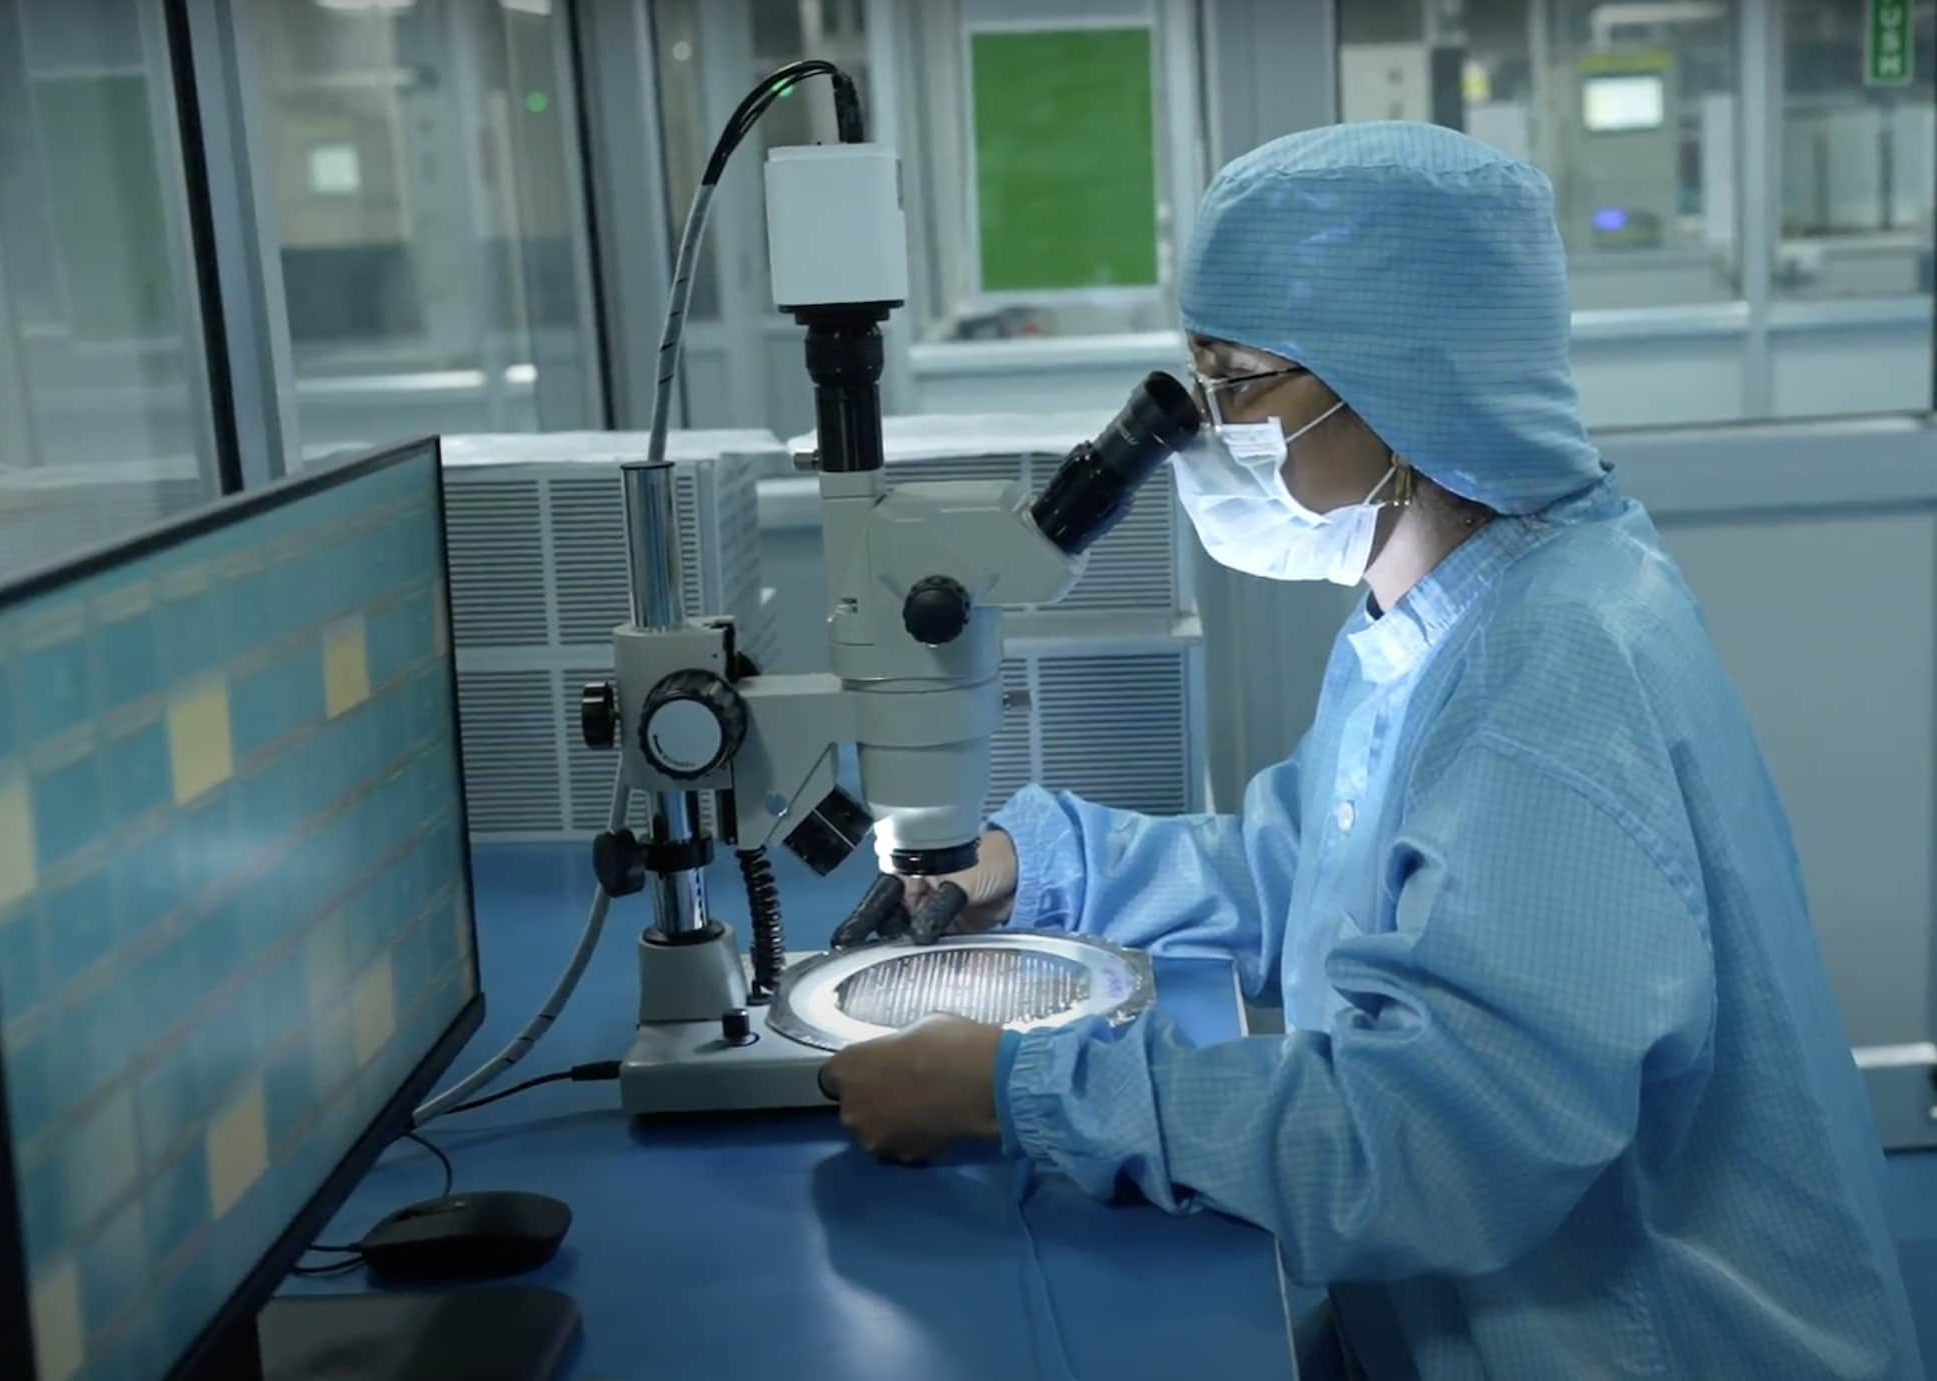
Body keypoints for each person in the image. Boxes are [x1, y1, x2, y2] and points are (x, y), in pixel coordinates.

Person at [819, 122, 1925, 1379]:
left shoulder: (1545, 673)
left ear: (1401, 383)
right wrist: (1035, 861)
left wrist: (1015, 1090)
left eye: (1235, 384)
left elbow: (1438, 1141)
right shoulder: (1449, 599)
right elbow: (1314, 869)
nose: (1205, 434)